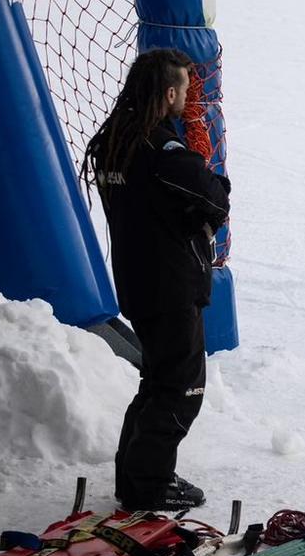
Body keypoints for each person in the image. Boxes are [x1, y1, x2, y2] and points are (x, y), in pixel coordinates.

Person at [81, 48, 230, 512]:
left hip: (137, 280)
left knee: (157, 380)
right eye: (184, 90)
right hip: (171, 286)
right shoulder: (158, 148)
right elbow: (215, 198)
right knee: (181, 387)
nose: (187, 99)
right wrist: (203, 187)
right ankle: (149, 483)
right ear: (168, 92)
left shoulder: (113, 139)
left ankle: (135, 476)